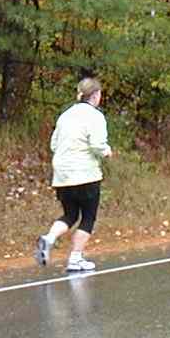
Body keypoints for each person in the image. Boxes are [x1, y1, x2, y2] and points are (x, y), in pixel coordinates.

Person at [35, 76, 112, 273]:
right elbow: (97, 144)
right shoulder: (95, 116)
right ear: (95, 95)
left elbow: (54, 144)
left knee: (70, 214)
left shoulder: (65, 115)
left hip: (62, 175)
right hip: (85, 173)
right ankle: (75, 259)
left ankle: (49, 238)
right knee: (88, 217)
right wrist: (106, 151)